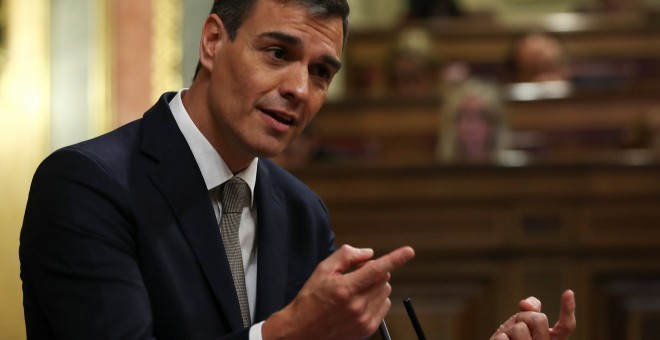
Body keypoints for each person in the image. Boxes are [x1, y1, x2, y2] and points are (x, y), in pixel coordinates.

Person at [19, 0, 575, 339]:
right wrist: (284, 335)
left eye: (322, 72)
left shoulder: (301, 210)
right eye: (278, 53)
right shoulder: (87, 185)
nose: (299, 89)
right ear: (213, 41)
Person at [436, 78, 518, 164]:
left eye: (480, 117)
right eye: (463, 117)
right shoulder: (436, 174)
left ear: (495, 124)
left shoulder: (515, 170)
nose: (471, 128)